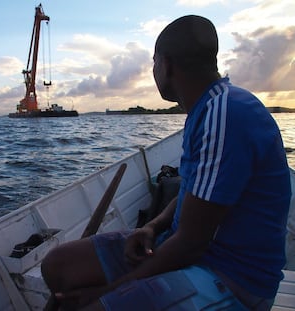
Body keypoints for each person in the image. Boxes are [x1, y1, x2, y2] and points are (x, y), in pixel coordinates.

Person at [41, 15, 291, 310]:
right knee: (59, 266)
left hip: (233, 277)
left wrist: (108, 292)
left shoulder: (225, 113)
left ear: (167, 65)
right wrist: (153, 227)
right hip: (185, 247)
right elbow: (194, 191)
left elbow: (191, 243)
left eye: (154, 63)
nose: (153, 70)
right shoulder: (206, 109)